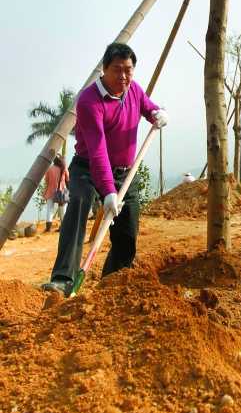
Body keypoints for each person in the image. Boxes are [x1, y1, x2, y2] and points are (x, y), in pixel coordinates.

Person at [42, 42, 168, 296]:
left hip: (124, 172)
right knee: (77, 205)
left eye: (129, 70)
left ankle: (112, 284)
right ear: (104, 69)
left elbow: (147, 105)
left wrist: (156, 112)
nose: (123, 76)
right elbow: (98, 150)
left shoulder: (133, 90)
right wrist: (108, 191)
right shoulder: (89, 101)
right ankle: (63, 279)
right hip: (88, 168)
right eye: (117, 69)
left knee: (128, 228)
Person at [43, 155, 69, 232]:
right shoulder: (64, 169)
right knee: (62, 210)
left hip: (50, 191)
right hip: (62, 192)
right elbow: (68, 179)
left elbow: (46, 180)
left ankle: (48, 228)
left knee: (49, 209)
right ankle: (63, 227)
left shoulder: (49, 169)